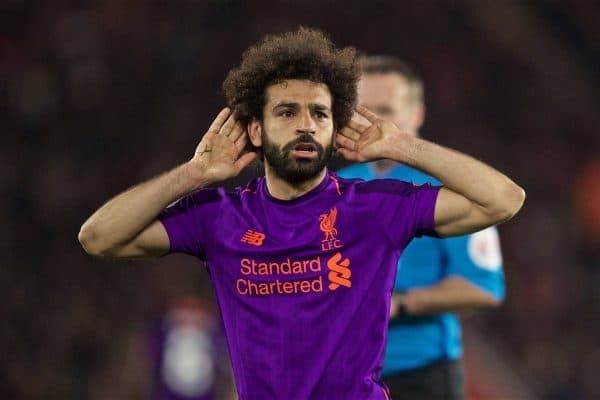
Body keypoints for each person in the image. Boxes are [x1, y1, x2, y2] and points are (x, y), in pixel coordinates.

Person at [78, 28, 525, 400]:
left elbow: (503, 199)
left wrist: (401, 146)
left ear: (334, 130)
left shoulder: (375, 208)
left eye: (320, 114)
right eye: (287, 112)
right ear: (256, 129)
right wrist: (193, 175)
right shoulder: (217, 217)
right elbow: (99, 237)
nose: (306, 125)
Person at [337, 55, 505, 400]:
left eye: (384, 110)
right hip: (345, 374)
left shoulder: (455, 190)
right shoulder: (335, 187)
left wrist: (399, 303)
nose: (370, 122)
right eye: (362, 109)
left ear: (417, 115)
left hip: (422, 376)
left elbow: (483, 287)